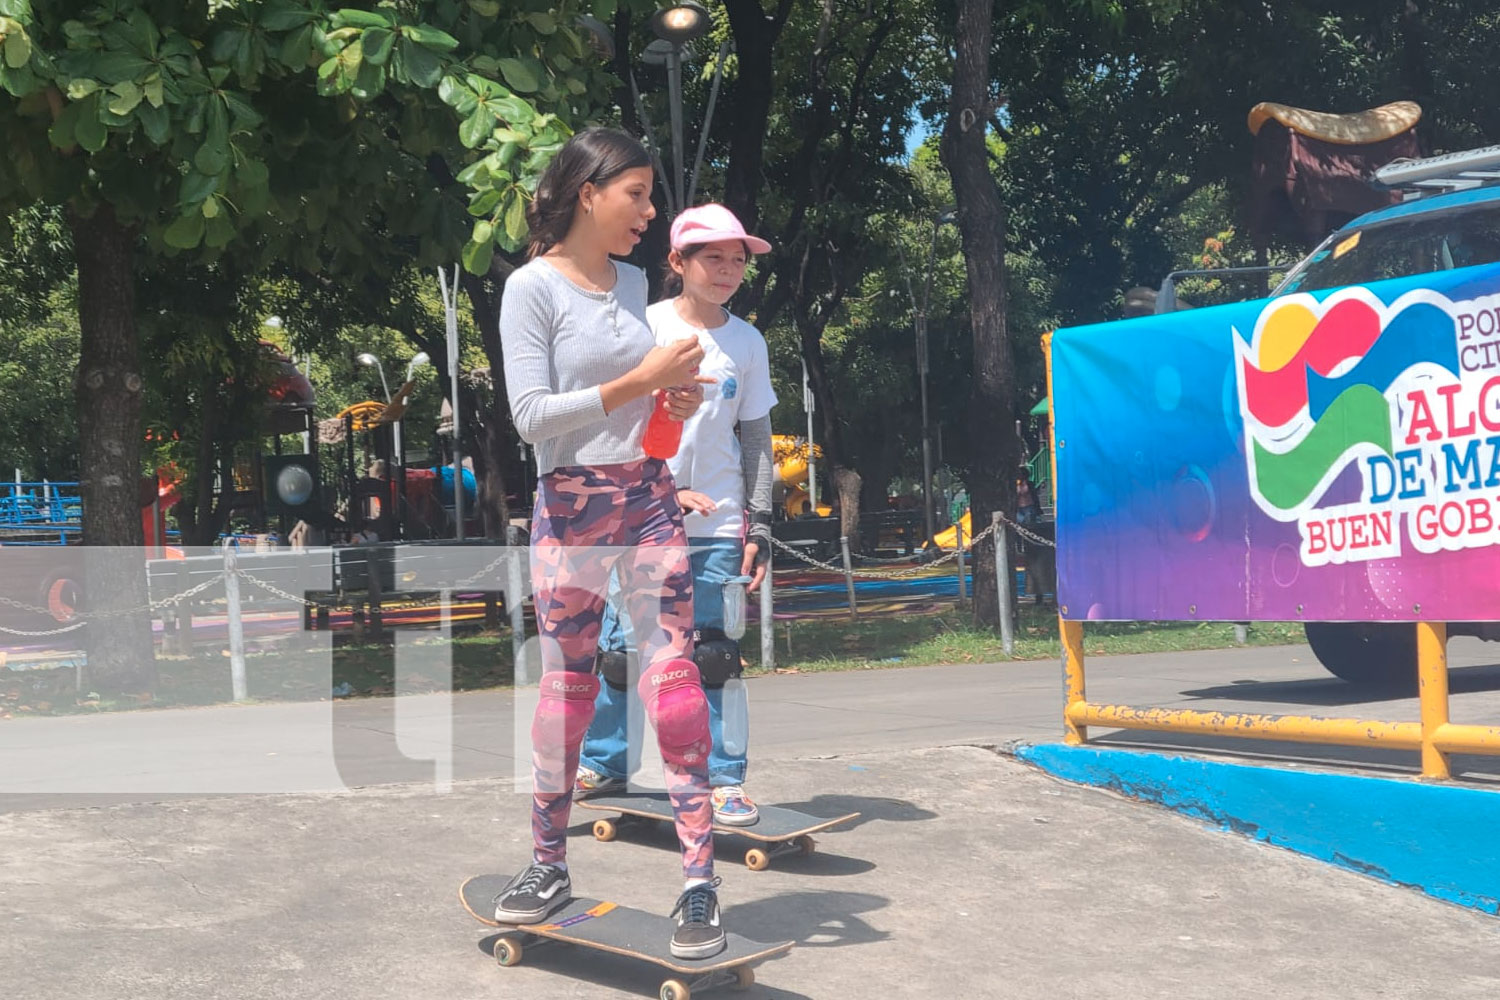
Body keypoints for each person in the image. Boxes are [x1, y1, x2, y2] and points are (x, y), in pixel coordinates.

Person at [493, 127, 726, 960]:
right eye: (635, 193)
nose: (648, 211)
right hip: (569, 511)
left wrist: (672, 404)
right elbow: (532, 418)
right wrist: (643, 381)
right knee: (567, 697)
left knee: (674, 686)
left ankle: (700, 884)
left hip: (649, 499)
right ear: (587, 192)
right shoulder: (531, 289)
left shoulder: (635, 284)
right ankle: (547, 862)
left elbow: (635, 410)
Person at [575, 204, 776, 826]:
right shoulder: (641, 328)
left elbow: (757, 441)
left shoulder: (746, 341)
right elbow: (615, 425)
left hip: (718, 526)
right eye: (712, 257)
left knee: (715, 654)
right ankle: (606, 764)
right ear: (677, 263)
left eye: (738, 259)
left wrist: (761, 524)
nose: (727, 269)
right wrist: (660, 490)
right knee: (621, 652)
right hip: (639, 516)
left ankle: (725, 781)